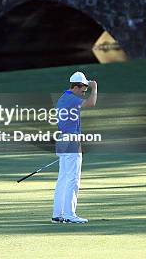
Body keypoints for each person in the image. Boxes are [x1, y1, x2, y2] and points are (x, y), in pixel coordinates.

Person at [51, 71, 97, 224]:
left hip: (63, 140)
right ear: (76, 87)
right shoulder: (72, 98)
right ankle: (70, 214)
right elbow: (91, 103)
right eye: (83, 90)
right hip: (71, 140)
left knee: (63, 178)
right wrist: (94, 88)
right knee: (73, 178)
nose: (84, 93)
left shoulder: (63, 98)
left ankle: (58, 214)